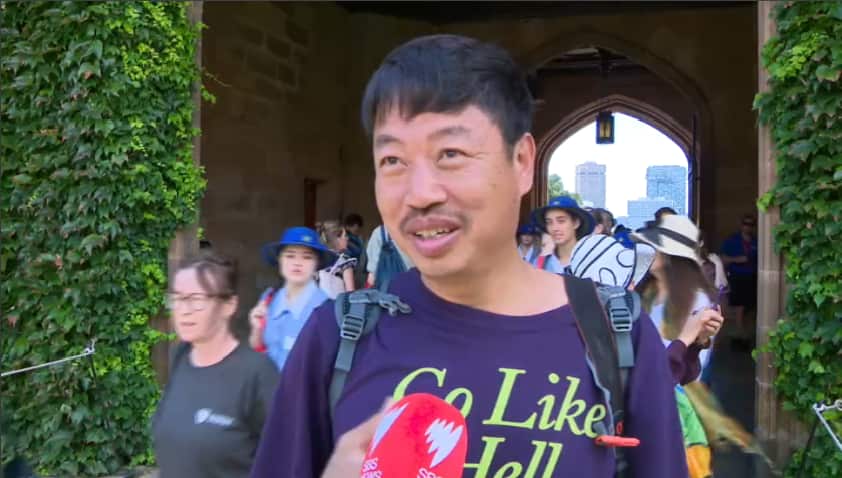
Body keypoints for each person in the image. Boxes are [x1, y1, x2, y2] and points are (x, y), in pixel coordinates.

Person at [253, 34, 686, 478]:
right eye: (392, 161)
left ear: (521, 161)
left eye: (451, 154)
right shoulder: (337, 338)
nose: (419, 194)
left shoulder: (617, 335)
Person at [153, 253, 278, 478]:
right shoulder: (181, 356)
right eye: (178, 298)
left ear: (229, 305)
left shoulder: (258, 373)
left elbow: (284, 461)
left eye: (197, 299)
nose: (184, 310)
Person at [631, 215, 724, 381]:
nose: (644, 251)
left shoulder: (698, 301)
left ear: (670, 255)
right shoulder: (642, 291)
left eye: (652, 246)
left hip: (671, 395)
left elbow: (693, 369)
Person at [249, 226, 331, 370]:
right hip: (266, 388)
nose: (297, 263)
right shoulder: (269, 298)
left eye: (307, 257)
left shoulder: (326, 308)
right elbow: (257, 346)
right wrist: (257, 329)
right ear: (279, 259)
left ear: (316, 263)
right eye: (290, 255)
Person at [531, 195, 595, 273]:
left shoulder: (591, 261)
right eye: (549, 222)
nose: (555, 228)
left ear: (576, 223)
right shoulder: (540, 264)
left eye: (561, 221)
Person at [720, 214, 757, 344]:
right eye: (745, 224)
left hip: (753, 277)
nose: (748, 227)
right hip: (737, 276)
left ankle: (745, 334)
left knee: (750, 307)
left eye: (751, 224)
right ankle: (739, 333)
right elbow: (723, 259)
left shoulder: (756, 242)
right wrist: (737, 260)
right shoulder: (732, 241)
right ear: (741, 225)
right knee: (739, 306)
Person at [316, 220, 358, 296]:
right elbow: (350, 293)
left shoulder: (315, 260)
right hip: (336, 305)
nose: (347, 238)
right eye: (345, 235)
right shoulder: (344, 263)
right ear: (337, 239)